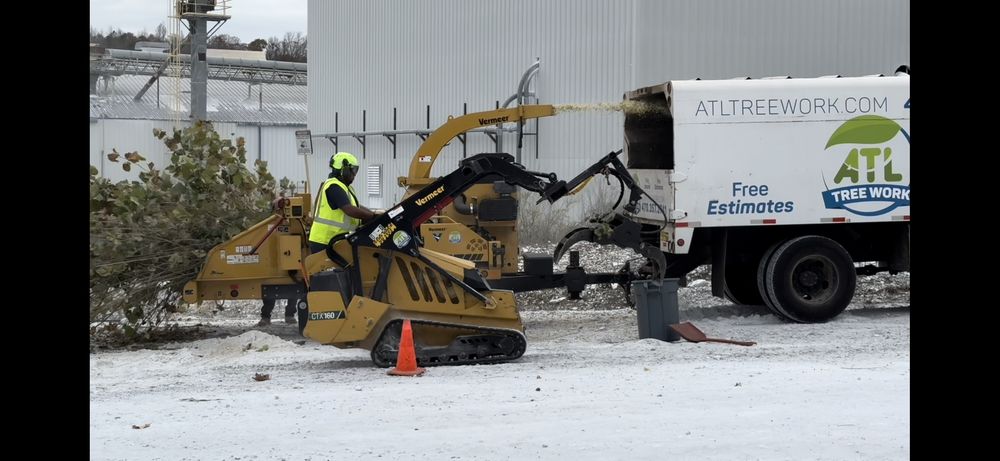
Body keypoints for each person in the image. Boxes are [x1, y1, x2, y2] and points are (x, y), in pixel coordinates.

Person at [307, 151, 379, 255]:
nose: (354, 174)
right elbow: (350, 209)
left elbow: (357, 207)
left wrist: (374, 215)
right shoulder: (333, 187)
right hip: (324, 241)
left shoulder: (345, 187)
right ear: (343, 170)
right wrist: (372, 217)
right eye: (353, 170)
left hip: (335, 241)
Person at [257, 194, 299, 327]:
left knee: (295, 289)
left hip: (291, 263)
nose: (280, 211)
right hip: (272, 263)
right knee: (269, 294)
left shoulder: (294, 223)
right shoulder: (268, 224)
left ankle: (290, 315)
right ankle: (265, 317)